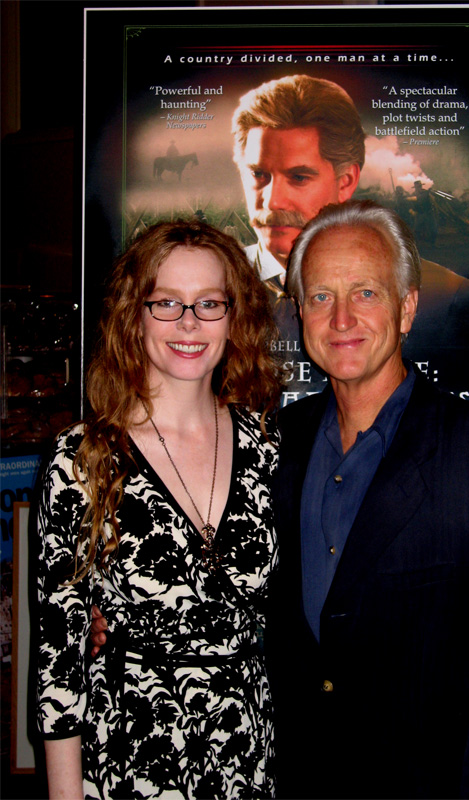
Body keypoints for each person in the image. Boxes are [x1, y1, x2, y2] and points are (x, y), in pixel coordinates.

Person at [267, 200, 469, 799]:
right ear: (299, 315)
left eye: (366, 293)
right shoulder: (273, 446)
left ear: (407, 308)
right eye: (321, 297)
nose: (341, 317)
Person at [36, 220, 283, 799]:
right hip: (130, 758)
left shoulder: (270, 447)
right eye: (166, 302)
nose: (190, 323)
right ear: (134, 314)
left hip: (249, 757)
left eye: (209, 303)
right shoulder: (83, 458)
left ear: (234, 315)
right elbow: (58, 658)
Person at [231, 74, 469, 403]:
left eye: (298, 177)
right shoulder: (209, 293)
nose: (272, 200)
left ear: (346, 180)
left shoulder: (446, 298)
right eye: (258, 175)